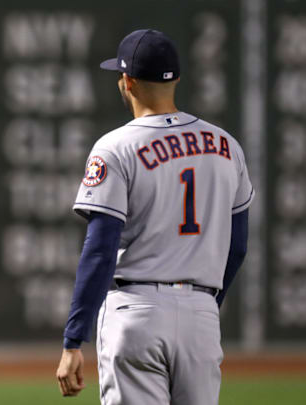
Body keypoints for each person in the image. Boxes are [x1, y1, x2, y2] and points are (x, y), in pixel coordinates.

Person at [55, 29, 253, 405]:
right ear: (176, 78)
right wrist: (206, 304)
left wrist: (73, 339)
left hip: (137, 311)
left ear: (127, 82)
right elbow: (238, 245)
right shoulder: (226, 145)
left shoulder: (116, 146)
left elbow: (100, 249)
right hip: (201, 314)